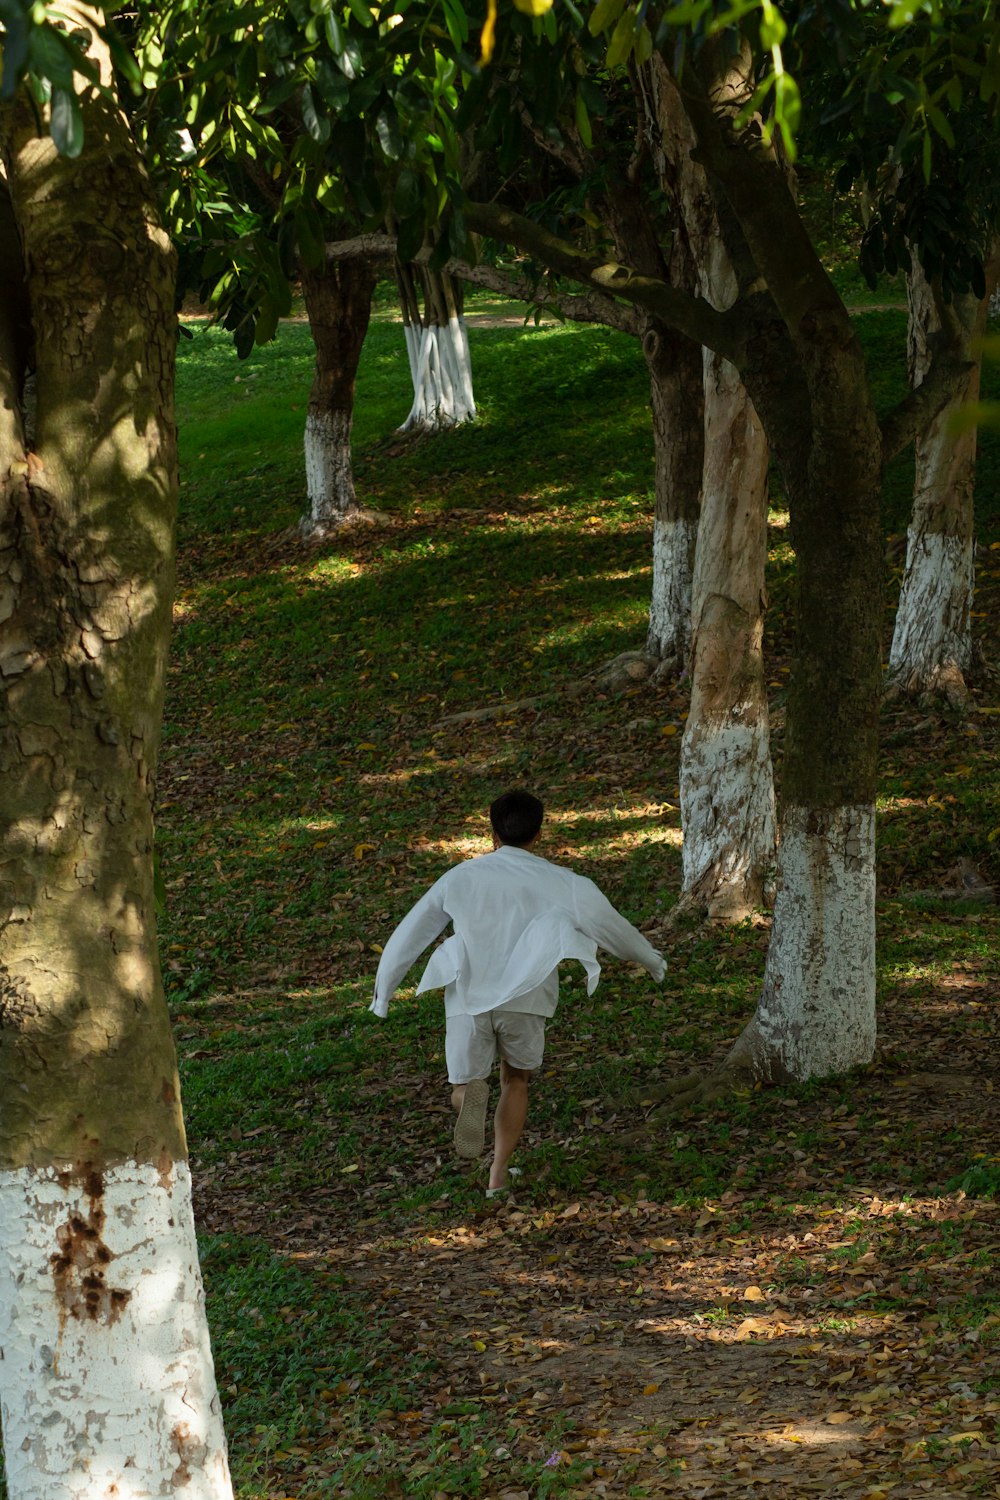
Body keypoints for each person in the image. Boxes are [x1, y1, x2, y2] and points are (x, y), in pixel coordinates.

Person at [370, 790, 665, 1197]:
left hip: (468, 994)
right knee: (517, 1080)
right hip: (527, 996)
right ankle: (498, 1174)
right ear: (539, 833)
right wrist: (650, 960)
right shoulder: (566, 883)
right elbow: (612, 929)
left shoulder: (460, 877)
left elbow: (411, 933)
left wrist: (382, 994)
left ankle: (468, 1105)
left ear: (491, 833)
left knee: (467, 1084)